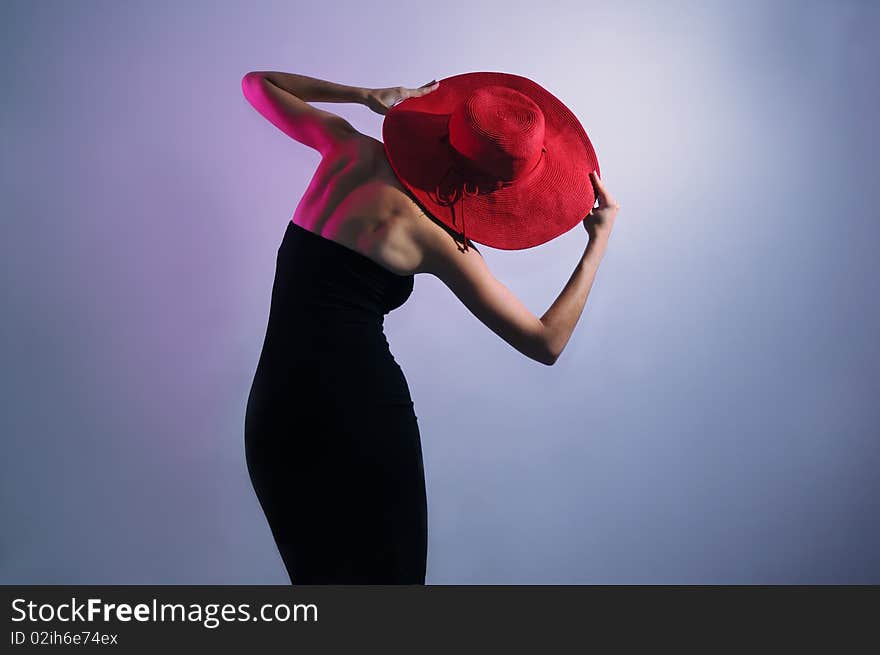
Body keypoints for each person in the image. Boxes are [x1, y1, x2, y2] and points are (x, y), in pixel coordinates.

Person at [241, 70, 620, 584]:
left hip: (274, 412)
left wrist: (364, 96)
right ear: (494, 185)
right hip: (362, 416)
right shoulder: (438, 240)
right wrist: (597, 242)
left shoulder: (348, 150)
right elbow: (546, 341)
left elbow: (257, 84)